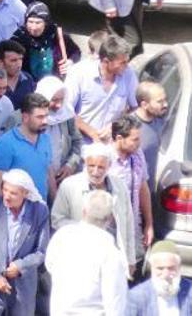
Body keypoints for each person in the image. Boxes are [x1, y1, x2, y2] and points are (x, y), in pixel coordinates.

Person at [0, 169, 50, 316]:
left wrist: (20, 265)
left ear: (25, 194)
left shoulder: (40, 212)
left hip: (23, 288)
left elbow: (41, 252)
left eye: (13, 193)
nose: (6, 196)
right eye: (5, 190)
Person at [50, 142, 135, 274]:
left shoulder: (119, 186)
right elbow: (57, 219)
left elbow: (128, 224)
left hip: (112, 257)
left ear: (109, 166)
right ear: (85, 164)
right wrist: (85, 227)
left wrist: (130, 260)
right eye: (91, 166)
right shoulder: (69, 185)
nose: (95, 172)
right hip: (82, 258)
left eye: (101, 167)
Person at [46, 190, 129, 316]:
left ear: (84, 212)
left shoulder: (62, 236)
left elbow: (50, 266)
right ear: (110, 218)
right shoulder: (110, 252)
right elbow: (115, 299)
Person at [65, 34, 138, 144]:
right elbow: (66, 110)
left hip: (113, 145)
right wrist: (93, 134)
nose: (127, 66)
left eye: (127, 61)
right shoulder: (78, 73)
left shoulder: (128, 74)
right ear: (106, 61)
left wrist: (115, 126)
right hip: (80, 144)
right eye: (122, 62)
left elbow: (136, 108)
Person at [108, 115, 154, 270]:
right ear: (119, 138)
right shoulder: (103, 161)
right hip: (111, 230)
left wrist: (149, 224)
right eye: (135, 139)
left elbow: (143, 188)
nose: (139, 143)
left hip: (133, 226)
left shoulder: (137, 154)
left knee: (134, 275)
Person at [0, 92, 53, 199]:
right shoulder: (6, 143)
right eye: (40, 117)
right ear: (25, 117)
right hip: (15, 212)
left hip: (40, 210)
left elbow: (49, 174)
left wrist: (54, 207)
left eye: (46, 116)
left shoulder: (46, 139)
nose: (45, 121)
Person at [11, 1, 81, 81]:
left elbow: (76, 52)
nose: (33, 27)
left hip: (54, 83)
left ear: (46, 23)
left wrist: (70, 61)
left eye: (38, 23)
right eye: (30, 22)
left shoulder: (56, 34)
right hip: (28, 85)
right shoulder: (19, 37)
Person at [33, 76, 82, 184]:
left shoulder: (67, 114)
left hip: (61, 178)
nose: (59, 105)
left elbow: (77, 142)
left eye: (61, 100)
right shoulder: (24, 118)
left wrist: (70, 165)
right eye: (54, 100)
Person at [128, 240, 192, 316]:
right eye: (160, 268)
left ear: (179, 267)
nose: (166, 274)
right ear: (151, 268)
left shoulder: (190, 291)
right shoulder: (136, 296)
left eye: (171, 268)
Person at [133, 81, 167, 185]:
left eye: (165, 100)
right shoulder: (129, 127)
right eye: (159, 102)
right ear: (144, 104)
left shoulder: (160, 121)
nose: (165, 104)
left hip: (149, 190)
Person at [0, 40, 35, 111]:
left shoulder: (28, 79)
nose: (19, 64)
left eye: (20, 59)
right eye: (13, 60)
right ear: (0, 63)